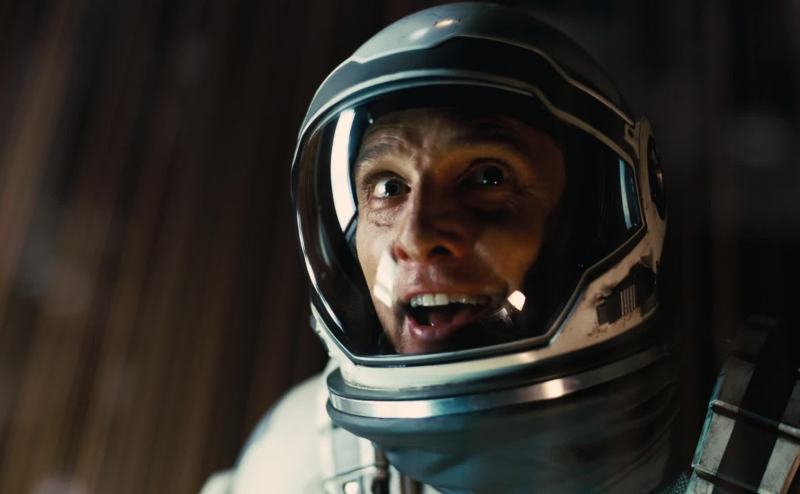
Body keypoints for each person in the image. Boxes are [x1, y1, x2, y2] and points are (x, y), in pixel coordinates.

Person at [202, 3, 799, 493]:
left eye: (488, 178)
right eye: (387, 188)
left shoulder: (778, 454)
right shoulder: (301, 465)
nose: (417, 237)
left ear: (607, 212)